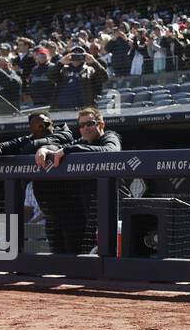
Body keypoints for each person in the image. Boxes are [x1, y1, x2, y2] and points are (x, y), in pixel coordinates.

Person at [33, 107, 123, 255]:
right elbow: (60, 148)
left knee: (113, 257)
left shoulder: (109, 137)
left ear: (101, 124)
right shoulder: (83, 141)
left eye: (90, 123)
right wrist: (45, 149)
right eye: (81, 125)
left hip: (115, 211)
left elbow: (110, 151)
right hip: (91, 212)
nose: (85, 128)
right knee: (87, 257)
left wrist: (68, 150)